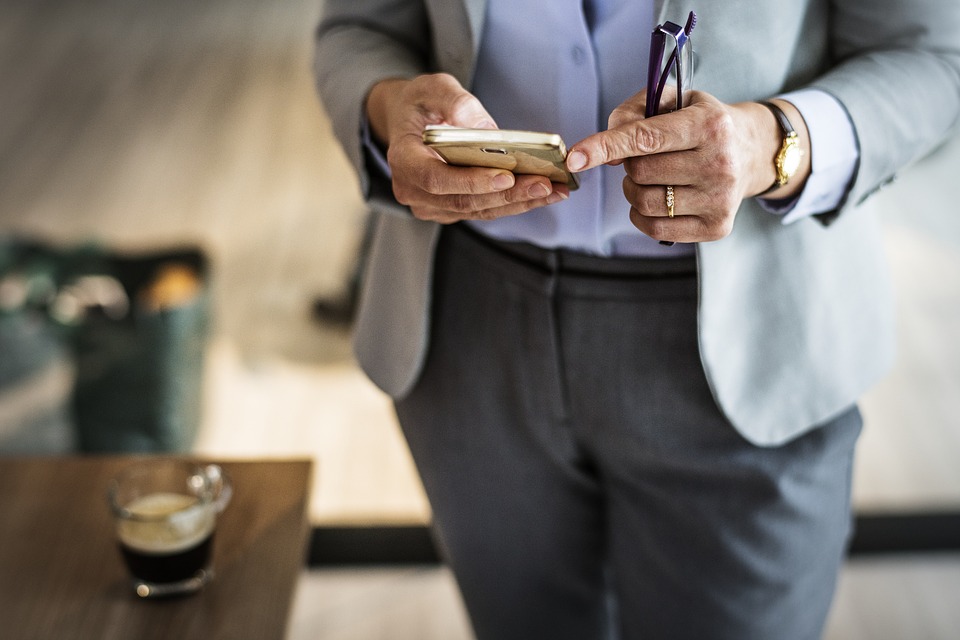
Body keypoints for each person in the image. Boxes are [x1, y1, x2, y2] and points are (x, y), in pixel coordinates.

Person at [314, 1, 960, 638]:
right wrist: (389, 106)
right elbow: (357, 30)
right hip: (468, 329)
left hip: (752, 342)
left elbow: (934, 59)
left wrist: (770, 144)